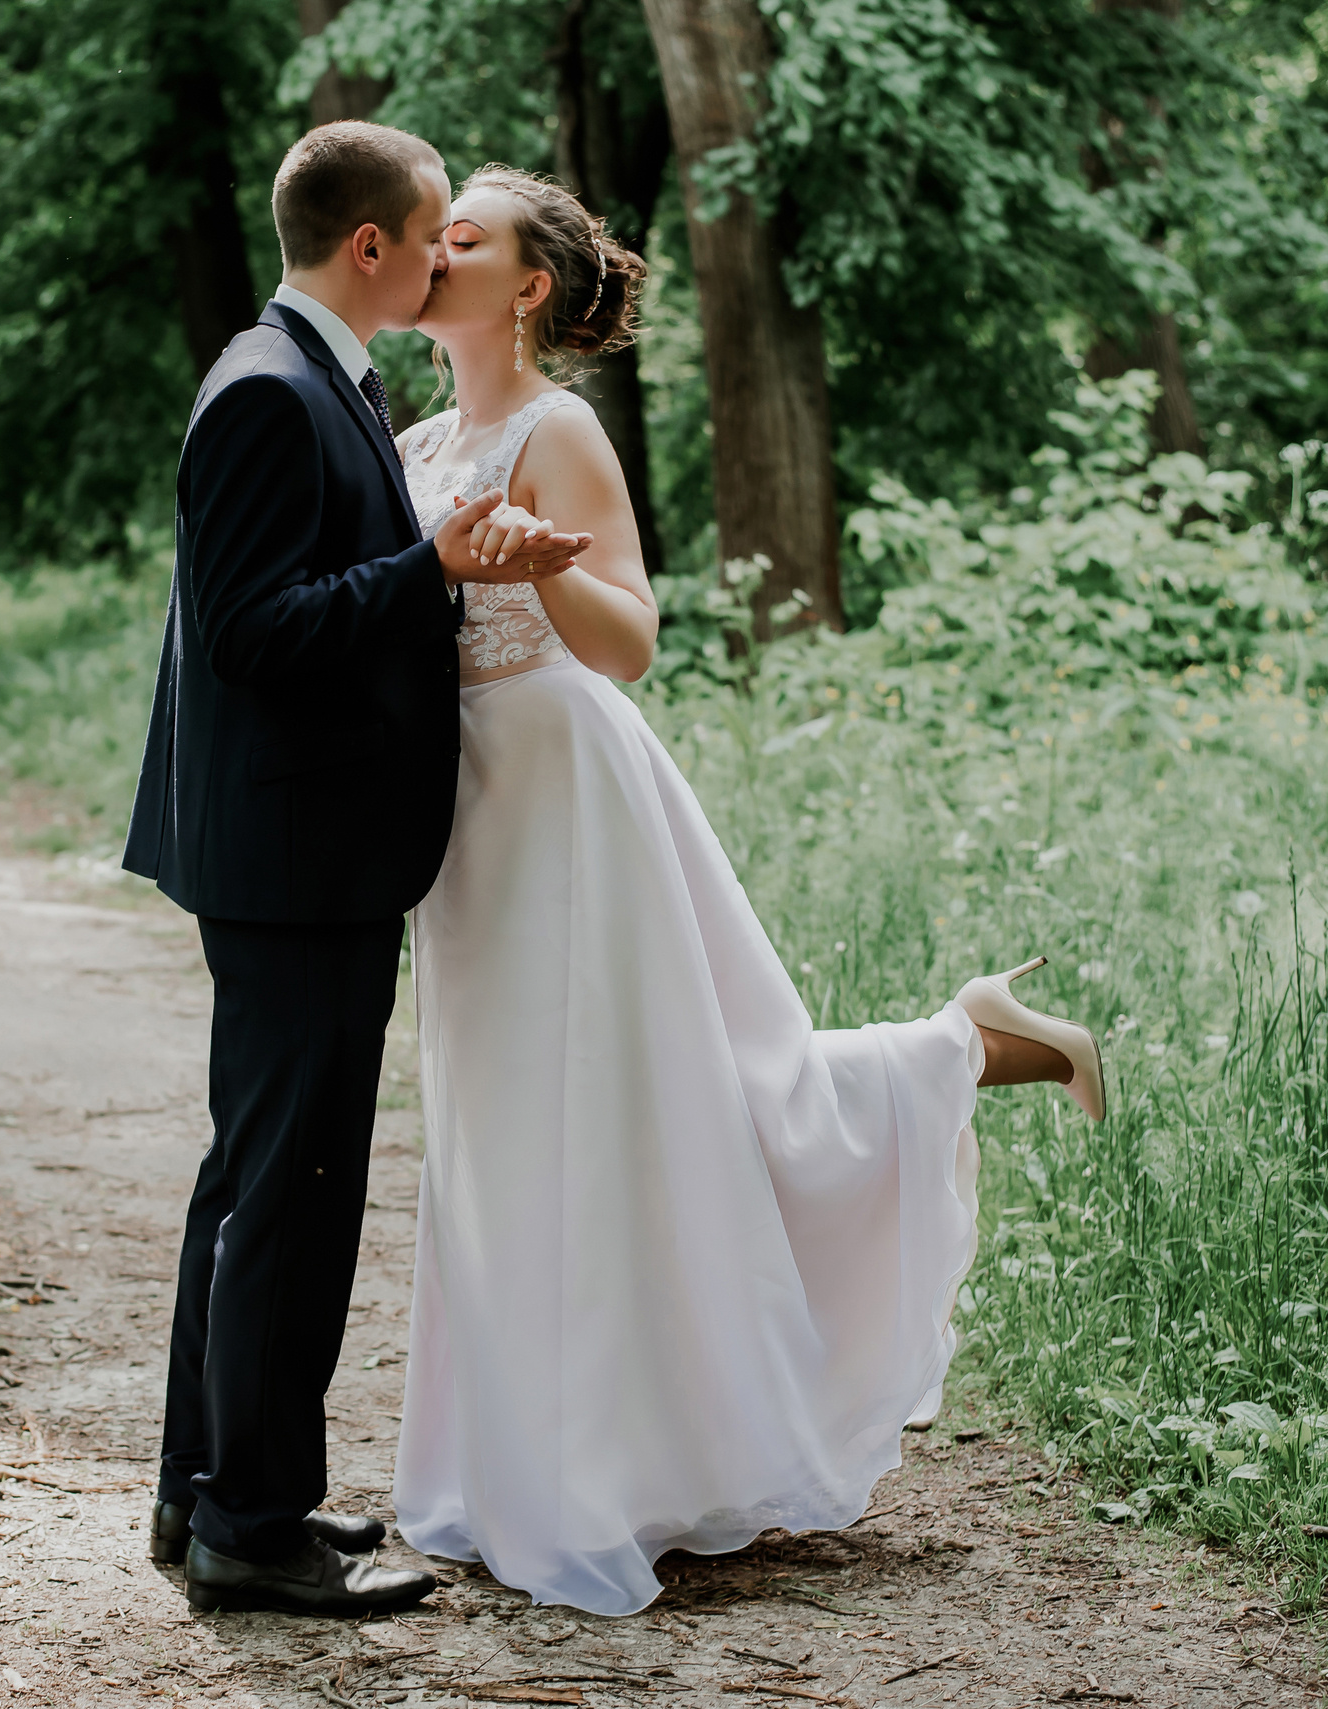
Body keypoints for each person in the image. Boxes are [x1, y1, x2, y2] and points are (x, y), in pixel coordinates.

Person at [386, 164, 1109, 1617]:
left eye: (464, 235)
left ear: (526, 286)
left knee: (641, 1110)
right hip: (466, 815)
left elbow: (632, 638)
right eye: (432, 228)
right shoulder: (407, 439)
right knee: (505, 1126)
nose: (434, 246)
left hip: (570, 795)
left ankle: (594, 1472)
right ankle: (518, 1459)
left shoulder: (556, 427)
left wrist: (536, 574)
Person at [120, 124, 595, 1618]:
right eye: (437, 230)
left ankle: (211, 1493)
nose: (451, 252)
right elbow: (260, 630)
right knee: (293, 1189)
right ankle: (251, 1527)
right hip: (294, 854)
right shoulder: (269, 390)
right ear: (371, 246)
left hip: (301, 848)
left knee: (255, 1180)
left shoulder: (314, 375)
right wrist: (434, 570)